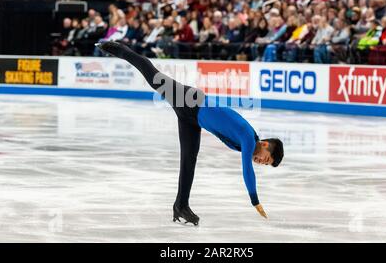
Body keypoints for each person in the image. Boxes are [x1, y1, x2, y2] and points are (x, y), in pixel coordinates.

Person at [95, 41, 284, 225]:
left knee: (188, 160)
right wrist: (255, 200)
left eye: (264, 164)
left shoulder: (248, 141)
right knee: (155, 78)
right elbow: (247, 170)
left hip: (193, 121)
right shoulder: (249, 140)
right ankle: (119, 49)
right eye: (266, 159)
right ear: (265, 145)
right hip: (191, 101)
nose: (260, 162)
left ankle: (181, 205)